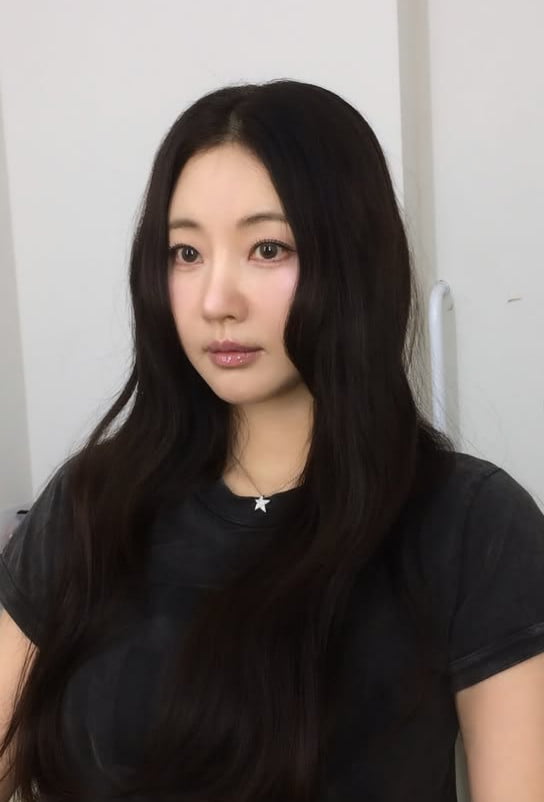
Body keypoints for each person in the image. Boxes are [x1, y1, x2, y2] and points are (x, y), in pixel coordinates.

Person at [1, 79, 544, 802]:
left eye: (267, 248)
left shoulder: (472, 525)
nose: (216, 300)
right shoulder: (89, 506)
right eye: (185, 253)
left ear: (353, 261)